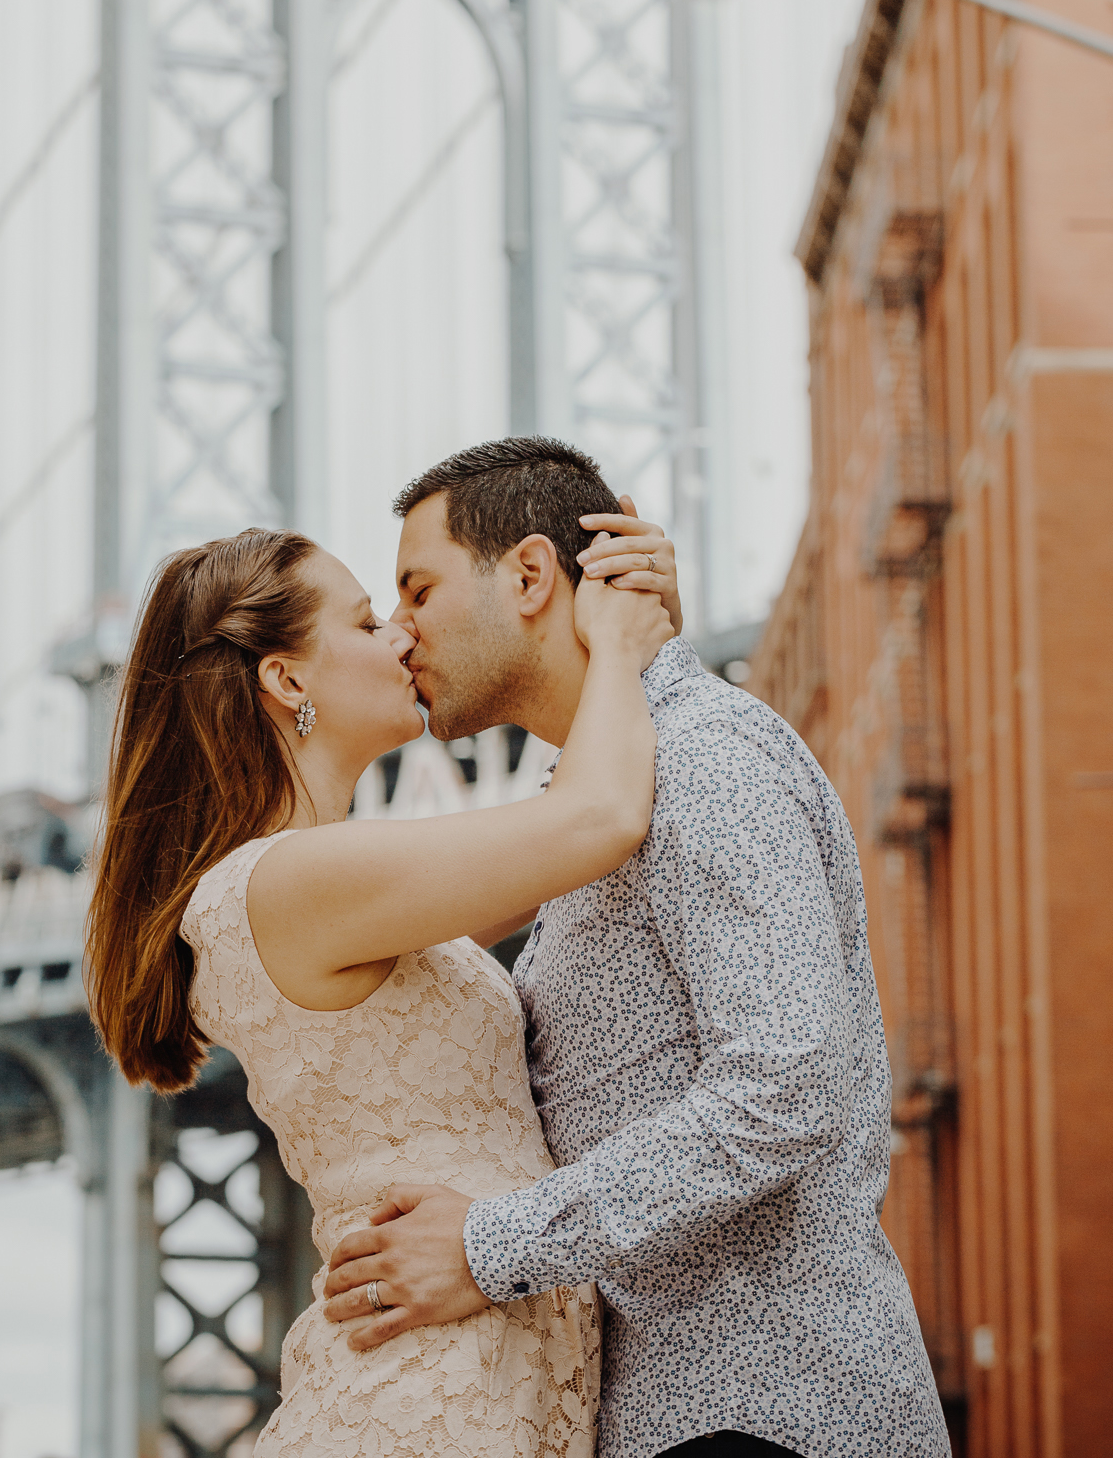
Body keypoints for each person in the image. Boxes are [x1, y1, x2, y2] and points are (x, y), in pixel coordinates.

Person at [323, 437, 950, 1458]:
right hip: (682, 1414)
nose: (399, 632)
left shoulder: (704, 763)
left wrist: (489, 1245)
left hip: (767, 1410)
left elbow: (783, 1084)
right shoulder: (591, 807)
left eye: (417, 588)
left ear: (530, 575)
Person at [84, 491, 680, 1457]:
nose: (404, 636)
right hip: (427, 1398)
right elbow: (598, 820)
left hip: (471, 1379)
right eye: (367, 620)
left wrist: (582, 610)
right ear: (285, 679)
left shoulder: (337, 884)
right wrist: (611, 643)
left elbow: (556, 852)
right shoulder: (293, 882)